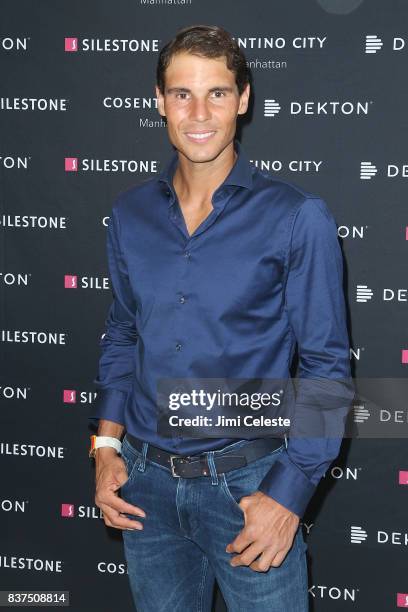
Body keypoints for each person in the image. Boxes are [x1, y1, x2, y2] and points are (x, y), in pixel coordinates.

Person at [88, 24, 353, 612]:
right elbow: (124, 332)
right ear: (159, 101)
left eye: (217, 92)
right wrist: (106, 449)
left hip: (248, 490)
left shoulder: (295, 216)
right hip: (144, 490)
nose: (199, 111)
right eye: (182, 93)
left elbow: (327, 368)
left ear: (244, 100)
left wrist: (288, 496)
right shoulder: (130, 213)